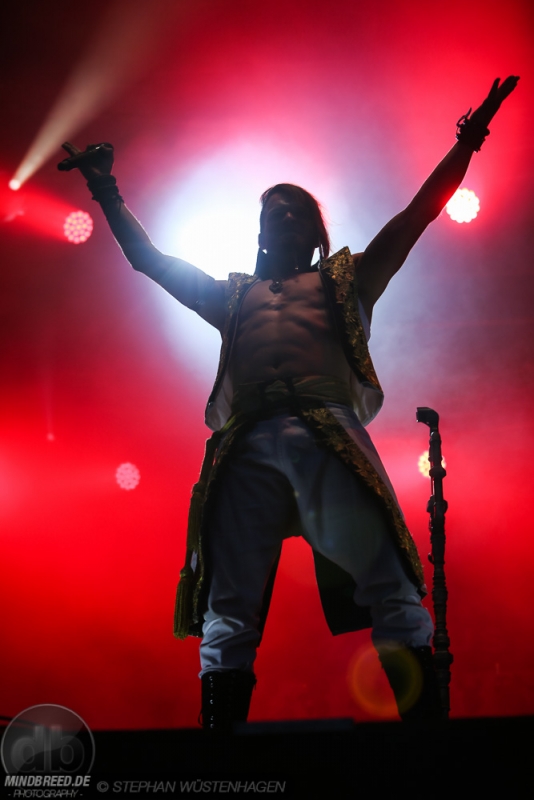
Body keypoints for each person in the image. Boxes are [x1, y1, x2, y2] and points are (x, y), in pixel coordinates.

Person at [61, 76, 518, 727]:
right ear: (259, 232)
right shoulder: (232, 296)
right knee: (228, 605)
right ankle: (221, 756)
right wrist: (106, 188)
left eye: (294, 208)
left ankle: (425, 744)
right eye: (271, 210)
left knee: (390, 584)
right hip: (245, 445)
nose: (281, 214)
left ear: (315, 231)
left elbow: (418, 213)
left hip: (329, 433)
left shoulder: (348, 282)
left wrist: (469, 142)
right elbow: (149, 261)